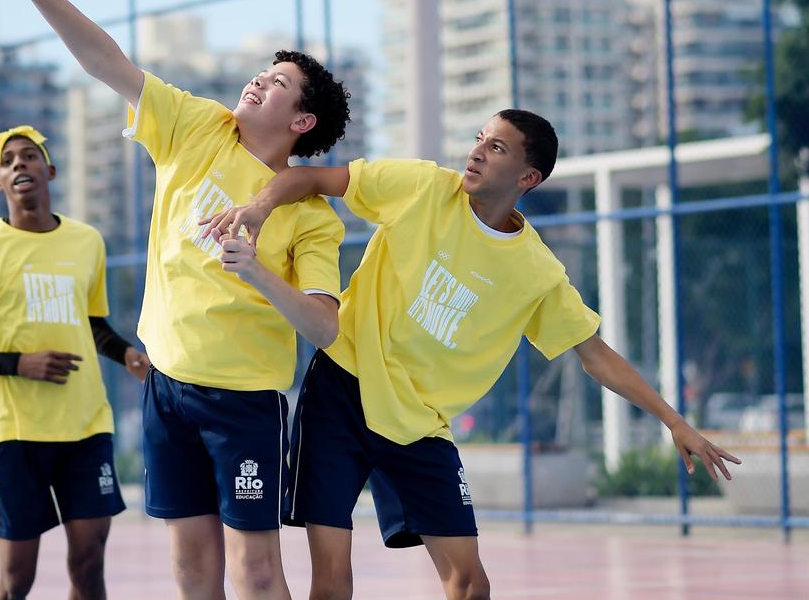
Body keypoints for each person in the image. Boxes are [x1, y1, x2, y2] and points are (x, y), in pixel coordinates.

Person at [0, 0, 351, 600]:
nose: (259, 79)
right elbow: (105, 58)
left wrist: (256, 268)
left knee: (255, 570)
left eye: (279, 81)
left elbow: (323, 326)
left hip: (244, 403)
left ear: (301, 120)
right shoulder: (198, 125)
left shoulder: (310, 216)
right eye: (263, 70)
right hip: (167, 390)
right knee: (189, 567)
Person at [201, 109, 743, 600]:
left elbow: (595, 354)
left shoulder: (535, 272)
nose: (477, 151)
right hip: (341, 386)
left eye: (498, 147)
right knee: (333, 578)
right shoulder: (423, 186)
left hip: (418, 422)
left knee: (469, 582)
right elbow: (313, 178)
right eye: (479, 139)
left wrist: (674, 421)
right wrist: (260, 204)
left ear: (528, 178)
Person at [0, 125, 150, 600]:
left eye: (29, 156)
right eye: (7, 161)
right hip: (18, 431)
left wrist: (128, 353)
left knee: (89, 565)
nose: (18, 164)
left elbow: (92, 324)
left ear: (48, 170)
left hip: (87, 425)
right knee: (17, 582)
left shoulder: (87, 241)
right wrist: (18, 363)